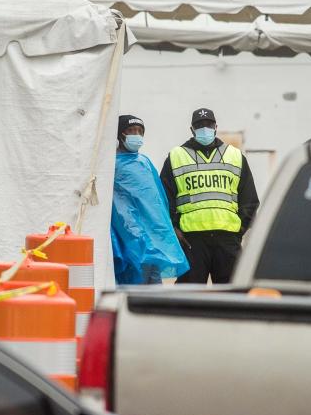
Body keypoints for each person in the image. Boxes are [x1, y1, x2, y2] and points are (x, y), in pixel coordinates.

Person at [160, 108, 258, 285]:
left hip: (227, 239)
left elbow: (249, 199)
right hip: (192, 241)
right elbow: (164, 198)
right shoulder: (176, 156)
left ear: (215, 127)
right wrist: (175, 228)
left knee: (233, 296)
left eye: (208, 124)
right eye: (199, 125)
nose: (204, 129)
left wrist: (239, 231)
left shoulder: (234, 156)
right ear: (192, 129)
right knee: (188, 299)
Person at [110, 114, 190, 285]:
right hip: (130, 238)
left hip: (153, 240)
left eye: (139, 131)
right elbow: (118, 206)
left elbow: (158, 201)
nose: (136, 135)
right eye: (131, 130)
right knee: (134, 284)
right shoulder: (112, 165)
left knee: (153, 286)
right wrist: (132, 233)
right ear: (119, 135)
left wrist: (164, 231)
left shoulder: (145, 162)